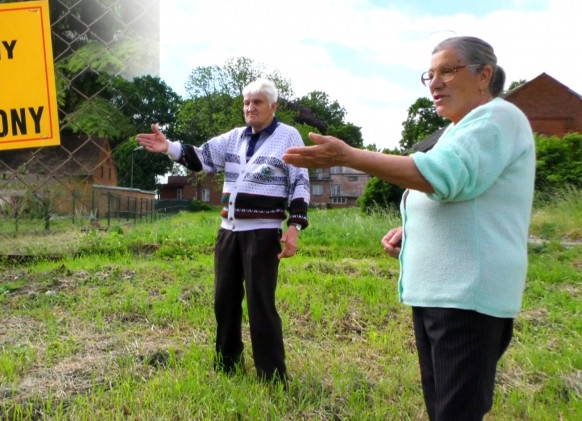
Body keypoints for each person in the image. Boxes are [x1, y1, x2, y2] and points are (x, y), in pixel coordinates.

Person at [282, 36, 535, 419]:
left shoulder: (497, 118)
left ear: (484, 75)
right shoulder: (458, 130)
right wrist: (413, 228)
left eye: (447, 71)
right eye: (429, 75)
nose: (435, 83)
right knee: (443, 409)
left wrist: (350, 156)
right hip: (442, 295)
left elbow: (443, 177)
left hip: (467, 297)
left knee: (455, 413)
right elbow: (460, 193)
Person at [136, 78, 311, 385]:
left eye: (257, 102)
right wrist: (169, 148)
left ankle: (271, 375)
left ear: (273, 106)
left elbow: (300, 182)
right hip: (228, 231)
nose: (250, 108)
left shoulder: (288, 137)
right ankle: (227, 365)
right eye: (246, 103)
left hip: (262, 232)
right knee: (224, 301)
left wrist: (294, 226)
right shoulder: (234, 138)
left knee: (261, 305)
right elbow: (202, 156)